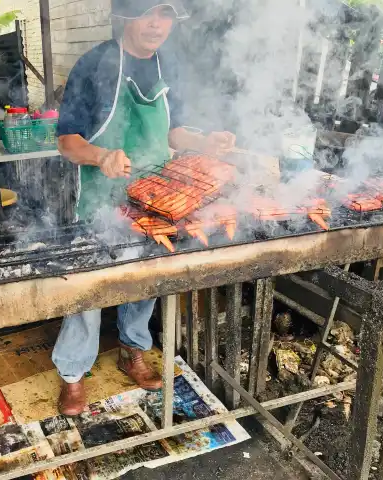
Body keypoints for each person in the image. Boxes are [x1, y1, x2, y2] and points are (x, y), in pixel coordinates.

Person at [53, 0, 237, 415]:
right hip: (102, 198)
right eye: (148, 13)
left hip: (157, 197)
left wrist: (205, 142)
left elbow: (175, 133)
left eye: (166, 14)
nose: (157, 24)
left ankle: (132, 350)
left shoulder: (167, 65)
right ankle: (73, 374)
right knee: (89, 288)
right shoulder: (95, 63)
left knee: (145, 280)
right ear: (125, 16)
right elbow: (67, 142)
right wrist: (102, 156)